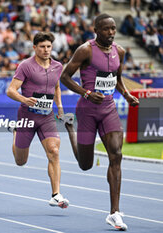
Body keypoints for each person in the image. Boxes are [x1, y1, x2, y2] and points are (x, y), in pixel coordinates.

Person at [60, 14, 139, 231]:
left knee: (116, 155)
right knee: (85, 165)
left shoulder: (119, 51)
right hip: (87, 111)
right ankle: (70, 130)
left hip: (109, 110)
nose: (111, 33)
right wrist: (86, 93)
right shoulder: (85, 50)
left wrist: (126, 94)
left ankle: (114, 213)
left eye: (113, 29)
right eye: (106, 29)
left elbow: (117, 78)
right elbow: (65, 77)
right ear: (96, 30)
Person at [6, 32, 69, 209]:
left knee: (54, 151)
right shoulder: (25, 66)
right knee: (21, 161)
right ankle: (16, 132)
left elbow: (56, 85)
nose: (46, 50)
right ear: (34, 48)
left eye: (49, 46)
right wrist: (24, 99)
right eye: (42, 47)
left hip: (47, 117)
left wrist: (60, 106)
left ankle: (56, 194)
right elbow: (10, 90)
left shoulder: (57, 66)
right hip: (27, 116)